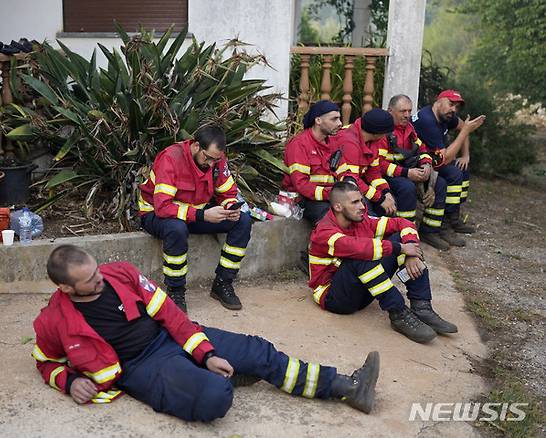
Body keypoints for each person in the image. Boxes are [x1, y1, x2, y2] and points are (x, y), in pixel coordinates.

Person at [31, 245, 382, 422]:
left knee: (258, 352)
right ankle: (210, 377)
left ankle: (346, 387)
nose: (100, 280)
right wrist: (68, 382)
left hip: (170, 338)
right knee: (216, 397)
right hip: (142, 368)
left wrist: (207, 354)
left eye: (96, 271)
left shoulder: (119, 273)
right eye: (90, 280)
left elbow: (170, 314)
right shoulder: (52, 322)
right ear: (66, 287)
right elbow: (46, 363)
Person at [308, 182, 458, 344]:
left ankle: (421, 306)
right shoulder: (324, 232)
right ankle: (398, 314)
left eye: (361, 200)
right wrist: (400, 248)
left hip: (363, 292)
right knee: (362, 255)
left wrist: (411, 254)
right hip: (335, 298)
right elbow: (358, 248)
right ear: (338, 207)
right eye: (355, 202)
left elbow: (404, 224)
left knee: (400, 237)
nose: (362, 206)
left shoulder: (361, 220)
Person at [138, 125, 251, 311]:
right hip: (156, 214)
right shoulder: (170, 158)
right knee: (176, 228)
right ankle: (175, 290)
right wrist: (202, 215)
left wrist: (231, 207)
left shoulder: (216, 159)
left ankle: (223, 283)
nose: (212, 164)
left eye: (217, 160)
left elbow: (228, 192)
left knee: (243, 221)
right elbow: (162, 207)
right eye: (208, 158)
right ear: (196, 146)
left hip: (195, 214)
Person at [412, 90, 486, 246]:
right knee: (452, 175)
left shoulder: (446, 116)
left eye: (457, 107)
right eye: (451, 104)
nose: (454, 110)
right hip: (417, 163)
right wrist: (466, 130)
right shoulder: (427, 121)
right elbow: (443, 160)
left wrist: (465, 155)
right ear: (438, 102)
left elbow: (462, 127)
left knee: (462, 168)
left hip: (434, 160)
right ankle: (437, 228)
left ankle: (452, 219)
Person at [376, 95, 450, 251]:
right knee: (406, 187)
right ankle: (404, 234)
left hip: (408, 170)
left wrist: (427, 164)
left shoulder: (409, 128)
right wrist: (407, 173)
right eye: (403, 111)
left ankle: (430, 232)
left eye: (409, 111)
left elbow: (422, 149)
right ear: (390, 111)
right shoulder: (383, 130)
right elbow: (378, 164)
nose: (407, 115)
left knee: (440, 184)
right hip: (388, 175)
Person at [283, 100, 343, 225]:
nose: (340, 123)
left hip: (329, 196)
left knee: (358, 209)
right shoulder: (299, 144)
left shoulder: (334, 143)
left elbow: (344, 171)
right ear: (318, 121)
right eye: (334, 119)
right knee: (330, 219)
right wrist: (332, 195)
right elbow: (301, 185)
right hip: (303, 200)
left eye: (339, 119)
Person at [332, 108, 396, 218]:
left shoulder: (373, 142)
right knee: (366, 213)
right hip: (343, 188)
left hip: (358, 185)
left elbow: (374, 173)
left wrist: (386, 192)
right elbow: (352, 180)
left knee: (389, 207)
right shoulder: (349, 142)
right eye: (385, 133)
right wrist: (380, 198)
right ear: (378, 134)